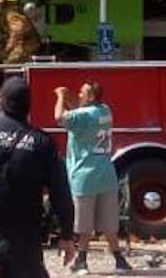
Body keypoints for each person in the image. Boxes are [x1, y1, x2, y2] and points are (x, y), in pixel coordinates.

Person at [0, 77, 77, 277]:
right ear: (29, 106)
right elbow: (60, 193)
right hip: (25, 237)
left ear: (1, 102)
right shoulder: (42, 142)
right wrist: (66, 235)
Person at [54, 82, 132, 274]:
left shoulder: (83, 116)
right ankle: (119, 259)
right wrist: (73, 99)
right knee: (109, 223)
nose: (79, 94)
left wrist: (61, 96)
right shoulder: (105, 111)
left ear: (90, 97)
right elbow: (81, 112)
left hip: (84, 176)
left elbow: (59, 117)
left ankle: (82, 260)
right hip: (106, 174)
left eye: (82, 92)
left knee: (84, 225)